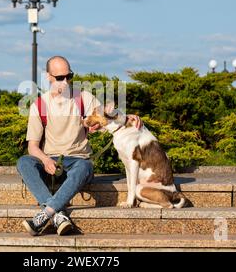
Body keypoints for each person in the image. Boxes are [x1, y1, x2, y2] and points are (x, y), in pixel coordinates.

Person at [16, 56, 143, 236]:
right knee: (24, 162)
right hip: (52, 163)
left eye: (69, 76)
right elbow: (33, 146)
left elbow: (108, 117)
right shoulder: (39, 105)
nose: (66, 81)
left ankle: (45, 214)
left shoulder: (84, 98)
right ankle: (57, 214)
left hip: (79, 162)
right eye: (60, 78)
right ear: (48, 77)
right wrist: (44, 160)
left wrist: (127, 116)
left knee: (84, 166)